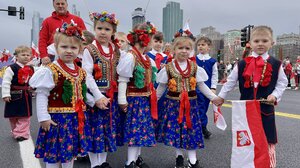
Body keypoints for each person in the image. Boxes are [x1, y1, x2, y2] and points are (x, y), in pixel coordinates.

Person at [214, 26, 288, 168]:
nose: (260, 43)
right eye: (256, 40)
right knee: (245, 142)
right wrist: (220, 96)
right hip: (245, 112)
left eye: (264, 40)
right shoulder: (241, 64)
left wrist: (274, 95)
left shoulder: (276, 64)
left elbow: (282, 83)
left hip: (265, 110)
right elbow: (230, 82)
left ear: (272, 43)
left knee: (267, 142)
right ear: (250, 43)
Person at [29, 22, 89, 168]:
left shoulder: (80, 71)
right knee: (54, 155)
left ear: (80, 49)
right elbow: (42, 94)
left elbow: (81, 93)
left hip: (74, 119)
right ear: (56, 48)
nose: (69, 51)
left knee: (70, 154)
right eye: (64, 47)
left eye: (73, 47)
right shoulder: (51, 70)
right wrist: (43, 117)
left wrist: (94, 101)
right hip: (56, 120)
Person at [156, 33, 219, 168]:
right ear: (174, 50)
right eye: (180, 48)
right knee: (176, 132)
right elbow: (160, 88)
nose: (184, 51)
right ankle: (179, 156)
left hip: (191, 106)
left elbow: (202, 86)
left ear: (191, 51)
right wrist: (152, 103)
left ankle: (193, 160)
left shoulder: (196, 68)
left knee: (191, 132)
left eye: (187, 48)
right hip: (173, 106)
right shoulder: (168, 68)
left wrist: (214, 98)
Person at [82, 11, 122, 168]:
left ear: (113, 32)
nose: (103, 32)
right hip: (95, 97)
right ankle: (94, 164)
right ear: (94, 29)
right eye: (99, 28)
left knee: (107, 131)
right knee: (94, 131)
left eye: (107, 29)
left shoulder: (116, 50)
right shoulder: (89, 50)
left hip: (111, 97)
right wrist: (98, 97)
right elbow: (87, 76)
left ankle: (103, 162)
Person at [117, 22, 157, 168]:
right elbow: (123, 79)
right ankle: (130, 162)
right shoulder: (130, 57)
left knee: (140, 132)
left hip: (144, 100)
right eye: (152, 39)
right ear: (145, 40)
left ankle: (136, 158)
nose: (153, 43)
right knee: (135, 133)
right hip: (134, 100)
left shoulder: (146, 58)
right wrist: (122, 99)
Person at [2, 46, 34, 141]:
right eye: (23, 55)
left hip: (26, 95)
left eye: (28, 55)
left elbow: (33, 80)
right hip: (14, 95)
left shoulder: (31, 68)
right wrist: (6, 94)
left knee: (25, 115)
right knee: (13, 116)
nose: (26, 57)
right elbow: (6, 82)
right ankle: (16, 131)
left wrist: (34, 88)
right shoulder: (11, 68)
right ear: (16, 56)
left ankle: (21, 134)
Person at [39, 0, 86, 65]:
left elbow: (85, 39)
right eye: (58, 4)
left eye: (62, 3)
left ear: (67, 4)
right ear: (53, 5)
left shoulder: (78, 20)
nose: (60, 6)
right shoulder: (47, 21)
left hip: (74, 57)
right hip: (53, 57)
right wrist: (44, 56)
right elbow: (42, 40)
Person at [194, 36, 218, 139]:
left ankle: (202, 126)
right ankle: (202, 127)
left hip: (207, 88)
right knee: (198, 107)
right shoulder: (194, 59)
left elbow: (214, 75)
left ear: (209, 47)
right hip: (195, 88)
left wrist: (213, 87)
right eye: (199, 45)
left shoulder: (212, 61)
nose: (200, 47)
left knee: (204, 107)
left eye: (203, 45)